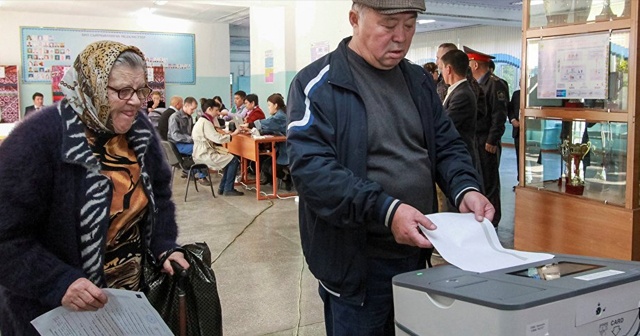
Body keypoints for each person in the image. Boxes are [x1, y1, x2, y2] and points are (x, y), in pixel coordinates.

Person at [286, 1, 494, 335]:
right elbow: (313, 170)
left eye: (409, 25)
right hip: (357, 266)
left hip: (416, 256)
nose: (400, 37)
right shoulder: (318, 85)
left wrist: (464, 188)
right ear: (355, 18)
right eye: (388, 24)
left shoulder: (417, 80)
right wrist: (387, 210)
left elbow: (447, 144)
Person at [0, 40, 189, 335]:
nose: (137, 101)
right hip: (54, 311)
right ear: (91, 87)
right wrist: (58, 282)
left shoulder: (139, 131)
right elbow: (7, 239)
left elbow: (160, 198)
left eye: (141, 90)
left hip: (128, 304)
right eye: (122, 91)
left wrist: (164, 246)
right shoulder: (37, 139)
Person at [465, 45, 509, 228]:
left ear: (475, 64)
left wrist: (493, 139)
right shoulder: (475, 84)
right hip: (476, 139)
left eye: (468, 62)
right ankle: (480, 218)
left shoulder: (495, 83)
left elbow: (499, 115)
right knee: (479, 179)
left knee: (490, 182)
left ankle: (493, 222)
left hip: (487, 141)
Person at [192, 99, 244, 196]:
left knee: (230, 159)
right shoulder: (206, 122)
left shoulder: (202, 120)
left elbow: (213, 133)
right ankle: (228, 189)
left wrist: (225, 133)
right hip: (204, 155)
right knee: (234, 160)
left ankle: (223, 187)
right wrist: (233, 134)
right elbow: (217, 139)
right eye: (216, 110)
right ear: (209, 109)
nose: (217, 113)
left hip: (201, 152)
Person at [242, 93, 290, 189]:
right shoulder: (278, 114)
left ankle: (286, 177)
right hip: (279, 148)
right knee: (265, 165)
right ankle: (278, 179)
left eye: (269, 105)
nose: (268, 108)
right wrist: (255, 130)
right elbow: (269, 128)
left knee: (271, 167)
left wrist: (251, 125)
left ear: (276, 105)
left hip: (287, 149)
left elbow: (268, 123)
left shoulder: (280, 116)